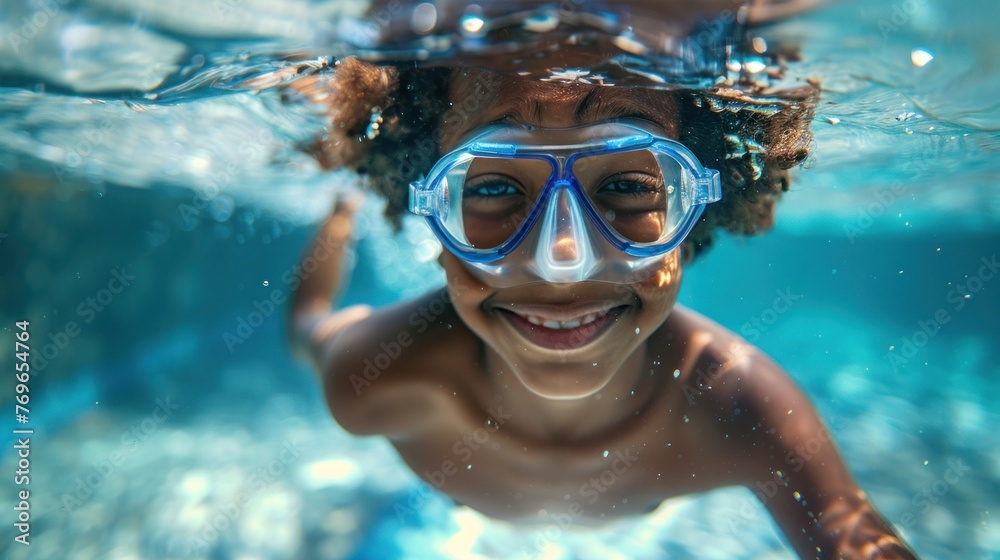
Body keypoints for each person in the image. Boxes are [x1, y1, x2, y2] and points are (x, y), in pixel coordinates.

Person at [286, 2, 918, 558]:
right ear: (432, 208)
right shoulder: (374, 374)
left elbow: (852, 535)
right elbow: (309, 322)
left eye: (626, 185)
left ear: (696, 206)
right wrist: (338, 225)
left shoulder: (745, 408)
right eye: (495, 187)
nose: (564, 260)